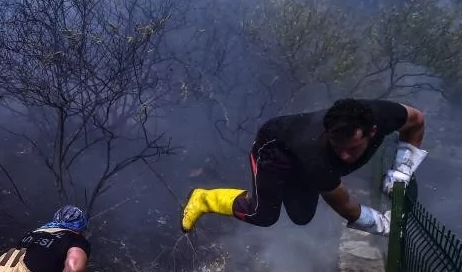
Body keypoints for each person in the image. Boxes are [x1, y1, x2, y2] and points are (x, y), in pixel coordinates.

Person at [180, 98, 427, 236]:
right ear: (328, 133)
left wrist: (402, 171)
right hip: (275, 149)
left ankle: (289, 183)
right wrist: (383, 225)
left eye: (352, 148)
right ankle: (204, 198)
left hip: (304, 159)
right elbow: (346, 206)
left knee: (301, 217)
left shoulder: (384, 115)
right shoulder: (318, 156)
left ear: (372, 131)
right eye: (336, 146)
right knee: (263, 215)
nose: (344, 155)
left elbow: (416, 122)